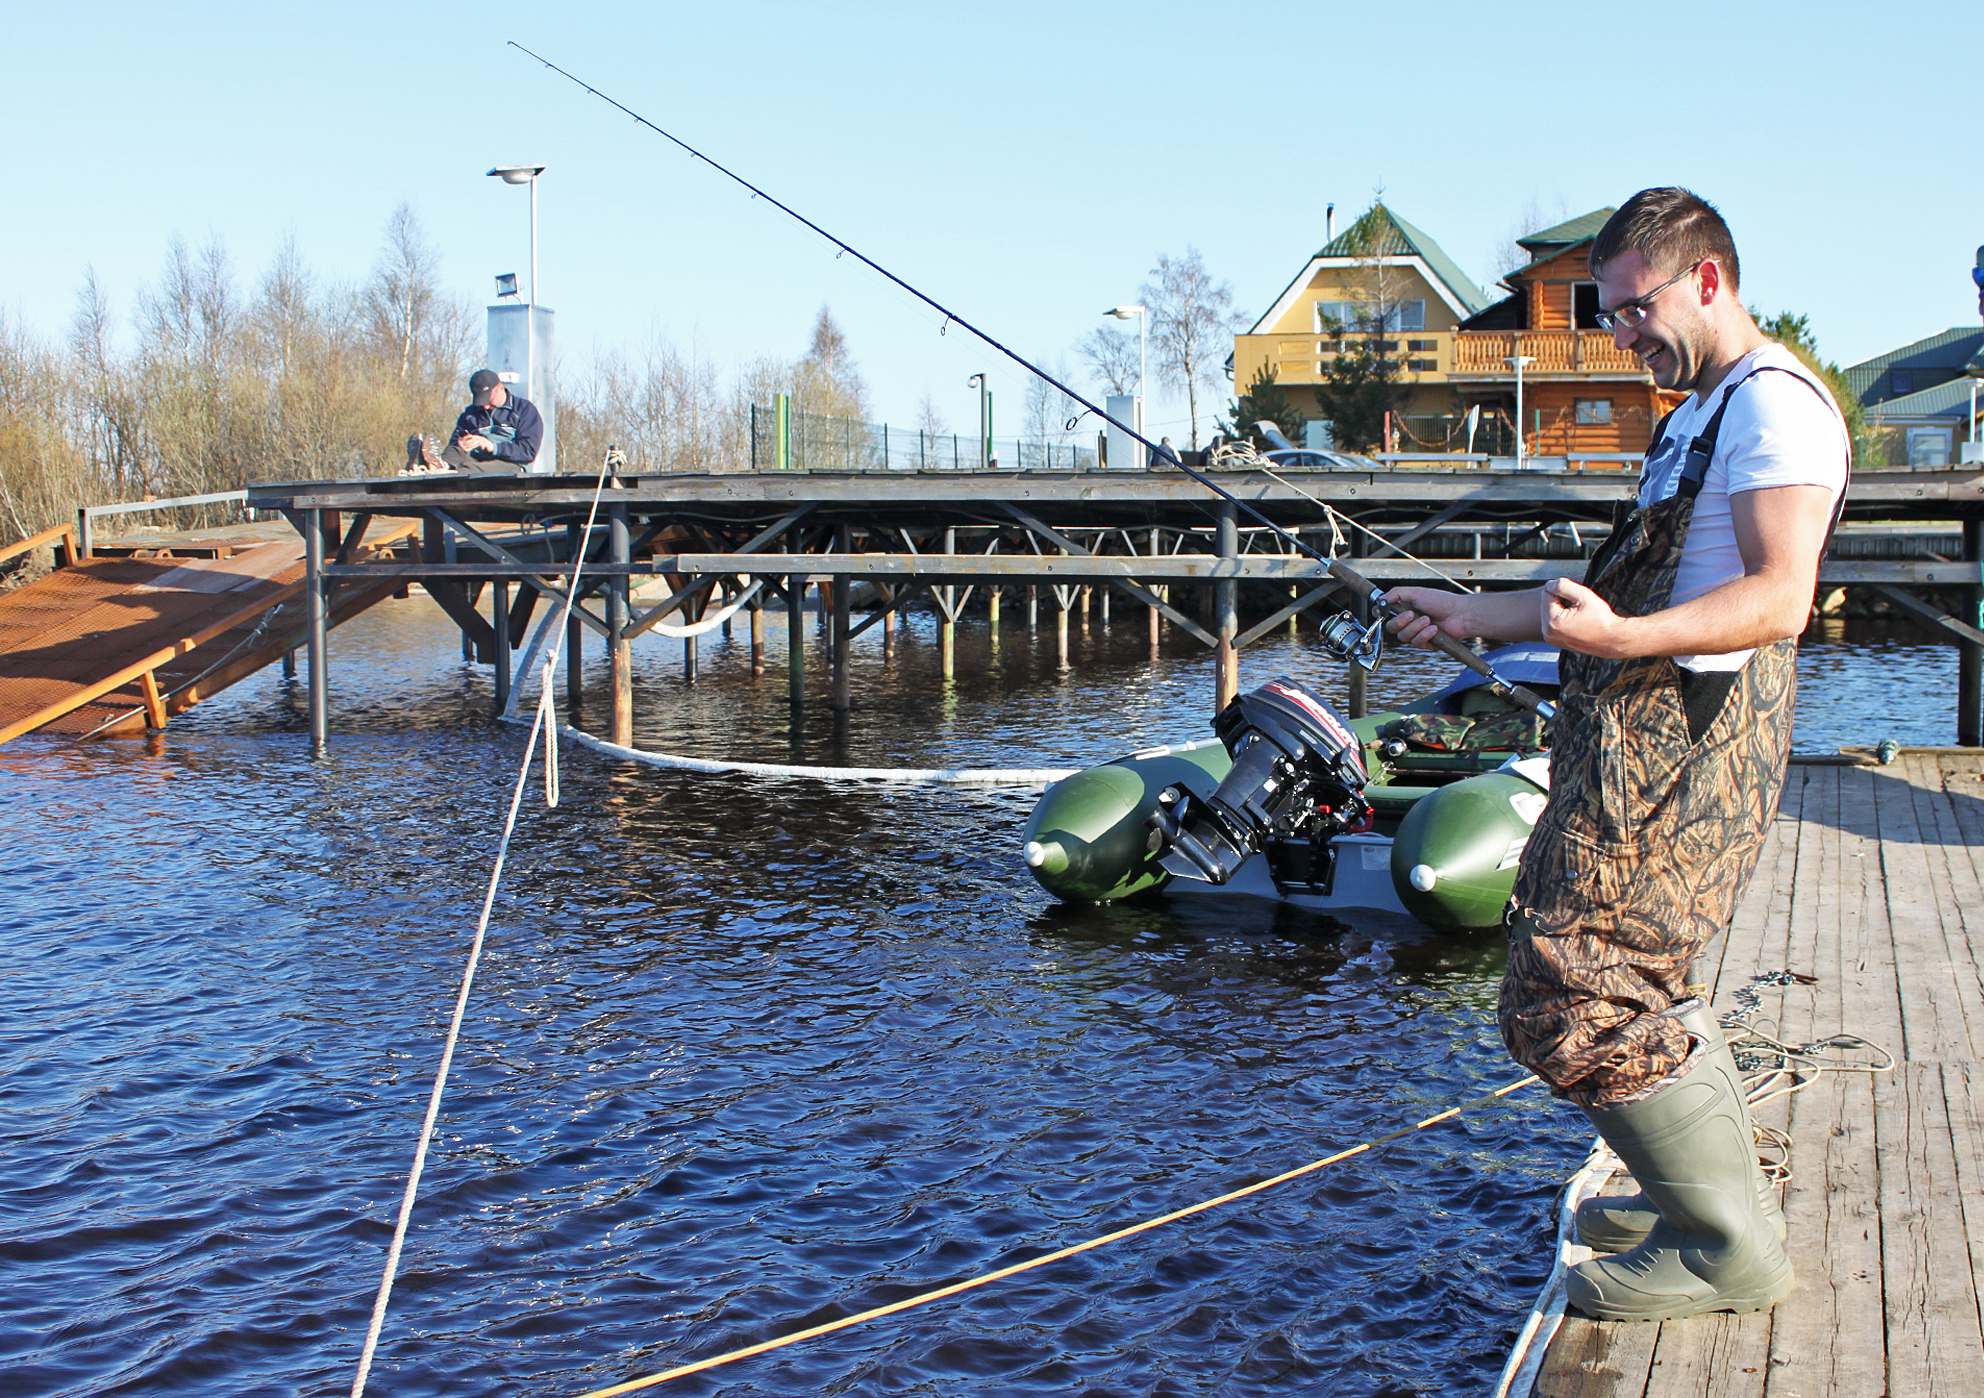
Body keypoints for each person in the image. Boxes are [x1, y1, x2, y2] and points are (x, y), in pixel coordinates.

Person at [1384, 188, 1848, 1322]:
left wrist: (1625, 639)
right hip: (1630, 742)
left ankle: (1725, 1245)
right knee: (1621, 979)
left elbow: (1779, 600)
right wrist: (1461, 612)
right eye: (1608, 316)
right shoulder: (1701, 409)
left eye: (1635, 309)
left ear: (1708, 280)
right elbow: (1597, 600)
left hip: (1690, 752)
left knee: (1573, 995)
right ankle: (1680, 1188)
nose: (1623, 333)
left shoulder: (1775, 408)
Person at [410, 369, 543, 474]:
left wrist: (492, 447)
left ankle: (442, 470)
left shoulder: (524, 410)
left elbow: (528, 452)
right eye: (481, 401)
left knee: (470, 470)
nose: (484, 406)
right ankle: (434, 465)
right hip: (474, 460)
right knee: (454, 451)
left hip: (509, 466)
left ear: (500, 388)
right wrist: (463, 443)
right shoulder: (470, 414)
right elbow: (456, 443)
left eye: (488, 400)